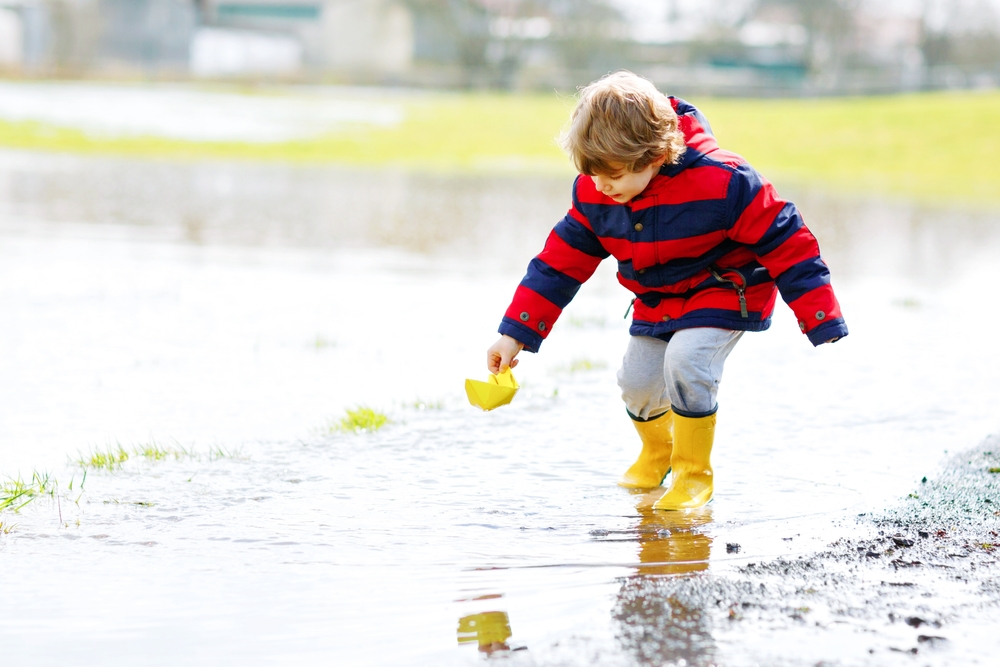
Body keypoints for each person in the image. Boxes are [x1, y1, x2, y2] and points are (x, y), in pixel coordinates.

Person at [485, 71, 848, 511]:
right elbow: (557, 265)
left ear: (654, 155)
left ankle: (694, 476)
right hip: (658, 301)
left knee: (687, 361)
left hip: (723, 291)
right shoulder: (597, 193)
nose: (601, 184)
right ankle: (658, 453)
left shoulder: (724, 181)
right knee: (636, 383)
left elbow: (787, 239)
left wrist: (819, 314)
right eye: (591, 172)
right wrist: (516, 332)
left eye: (612, 174)